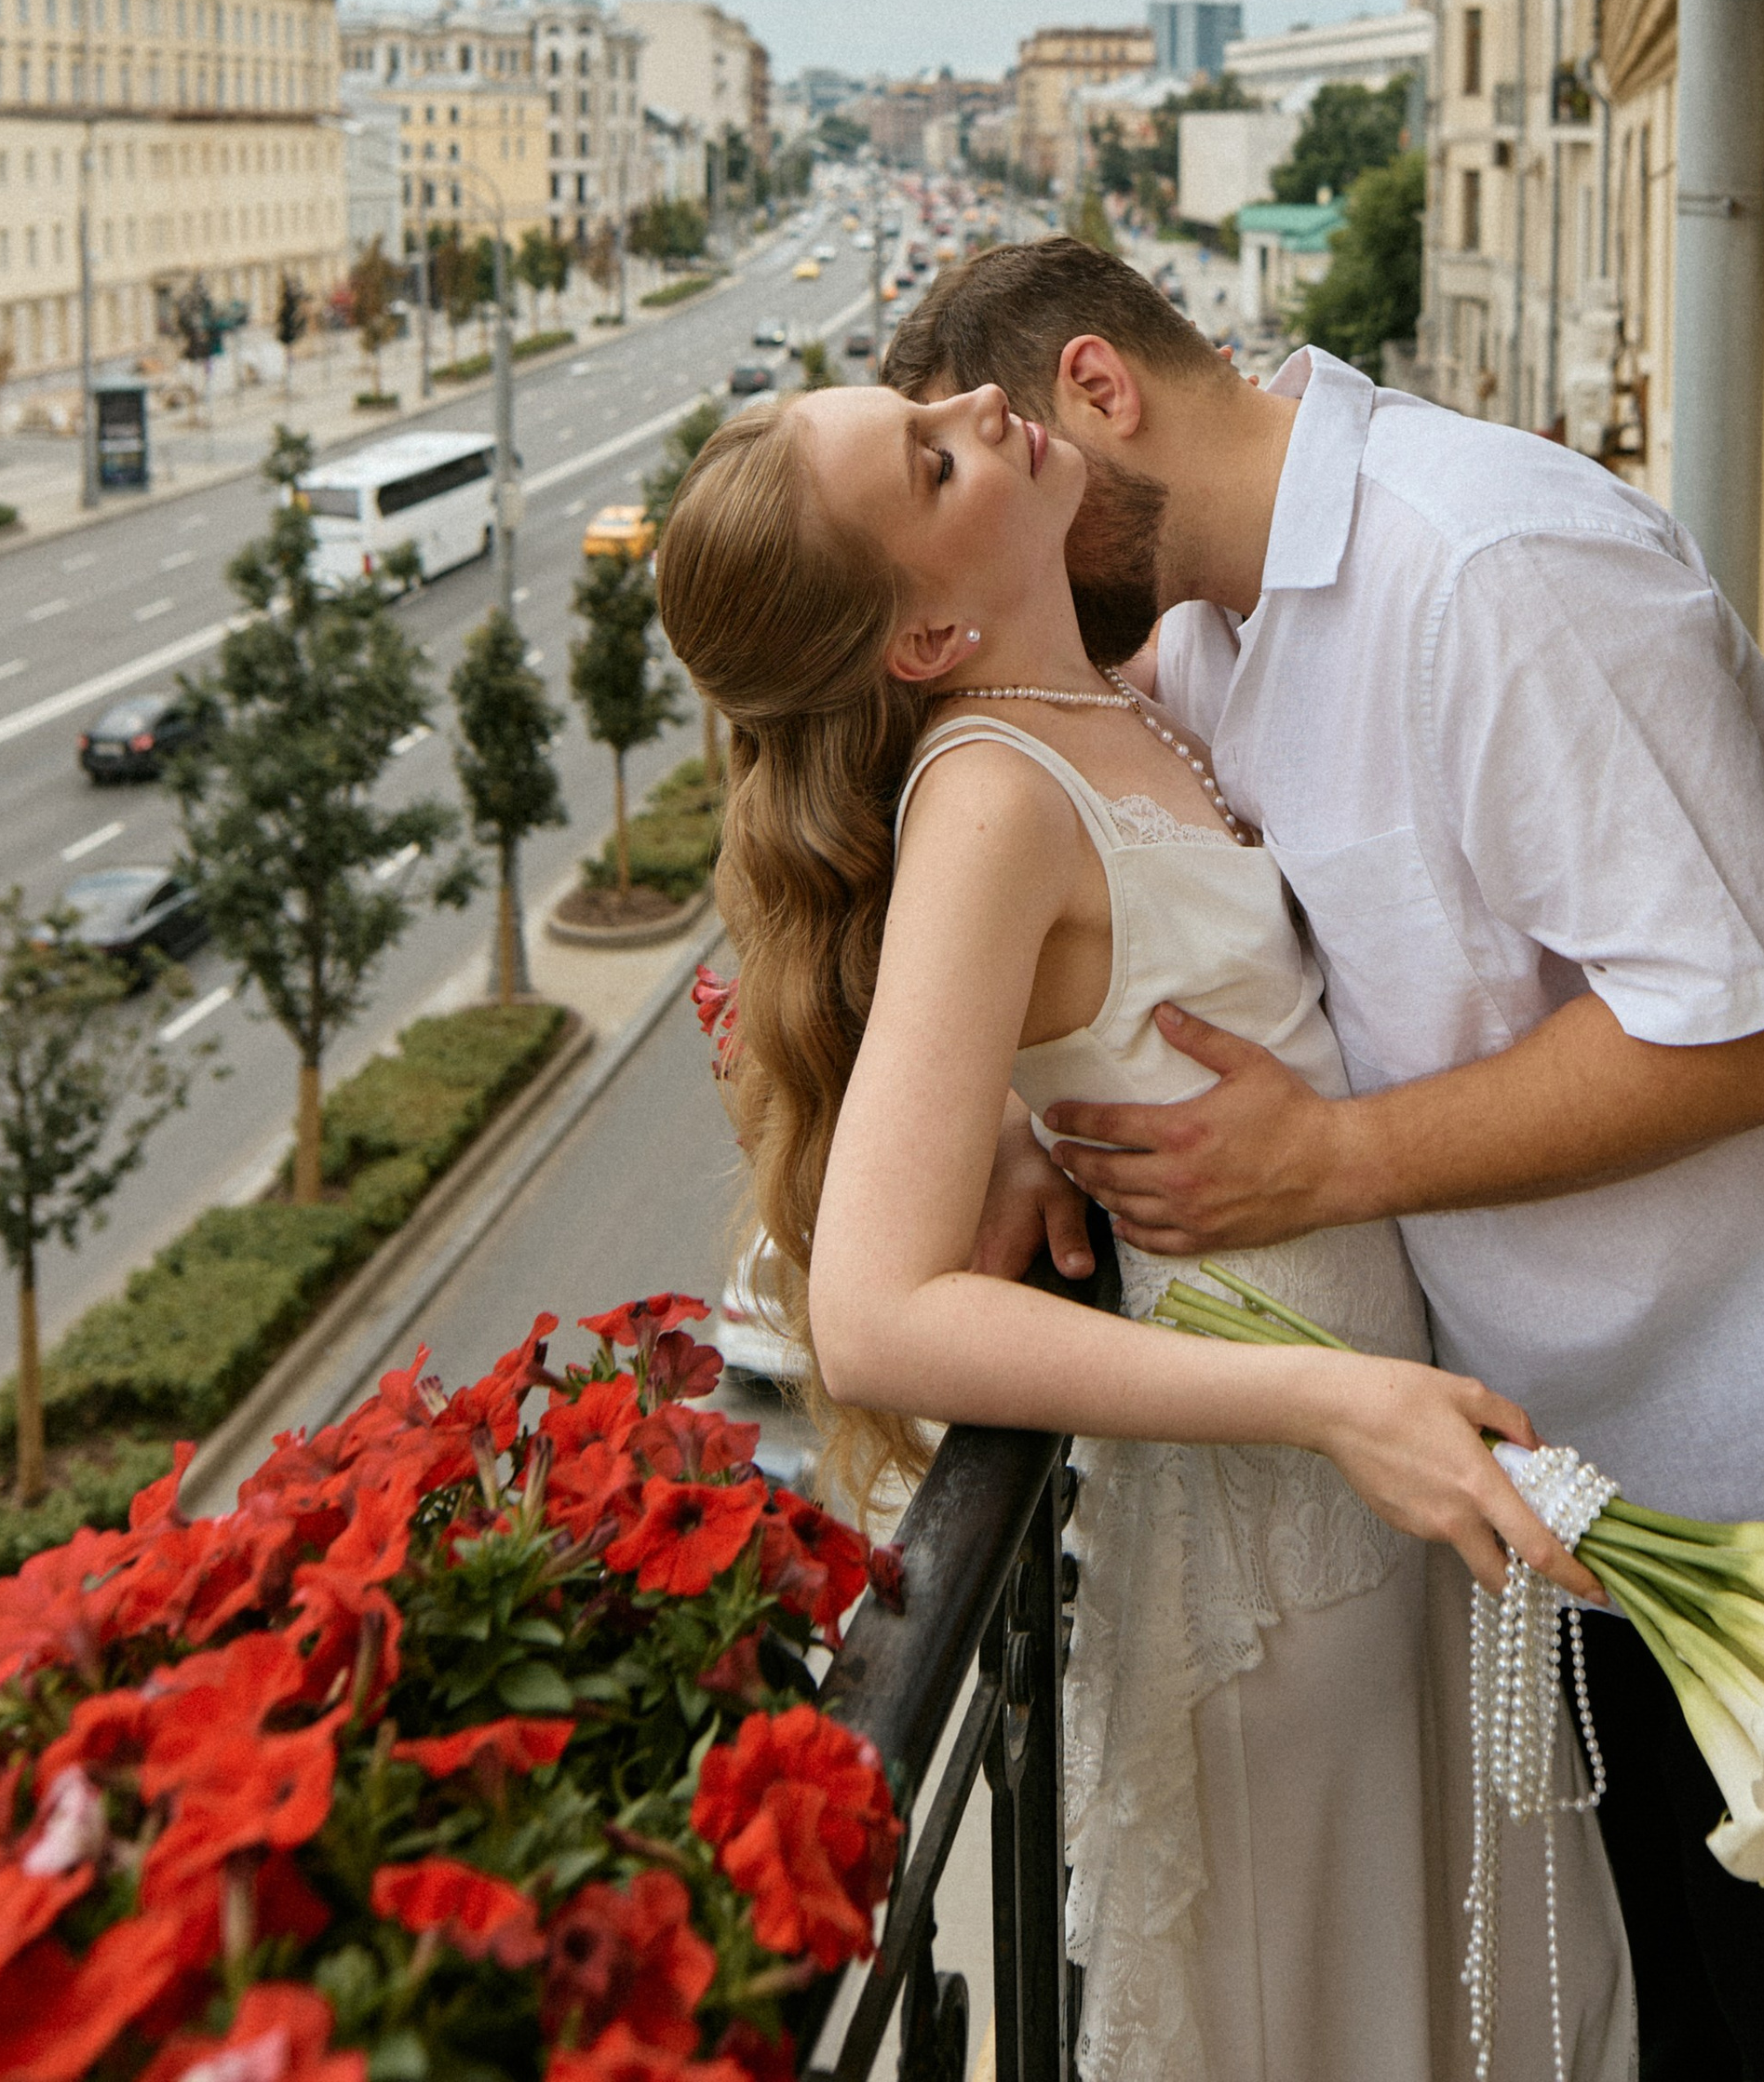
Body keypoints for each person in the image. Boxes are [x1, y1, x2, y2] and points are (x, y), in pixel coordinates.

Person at [882, 237, 1764, 2082]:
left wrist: (1324, 1166)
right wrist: (1031, 1130)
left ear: (1097, 395)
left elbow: (1753, 1027)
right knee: (1666, 2026)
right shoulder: (1194, 633)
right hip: (1585, 1482)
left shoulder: (1492, 565)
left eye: (1011, 466)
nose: (1018, 530)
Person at [653, 380, 1630, 2082]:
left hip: (1376, 1491)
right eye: (931, 457)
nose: (977, 402)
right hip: (1274, 1551)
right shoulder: (991, 802)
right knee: (1328, 2015)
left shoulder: (1122, 697)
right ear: (929, 626)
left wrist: (1028, 1124)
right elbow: (875, 1314)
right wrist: (1335, 1404)